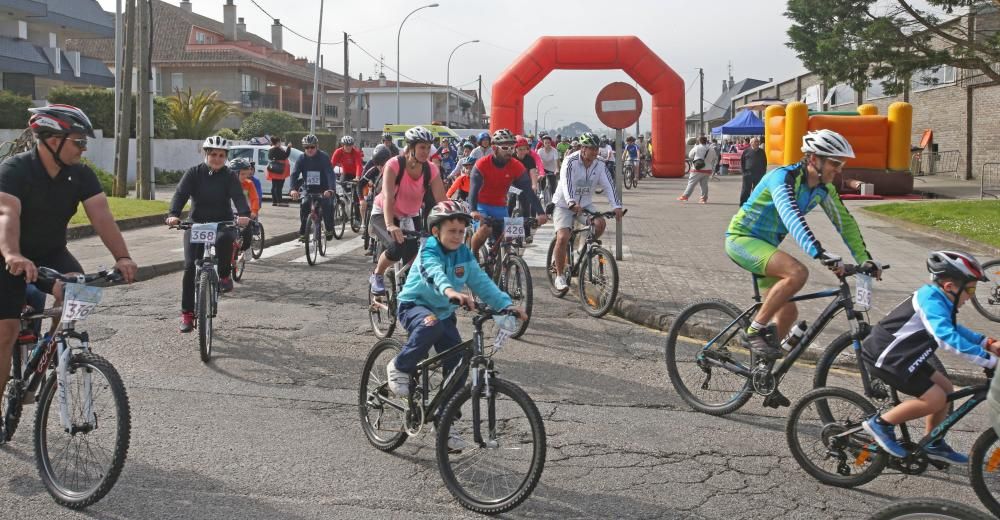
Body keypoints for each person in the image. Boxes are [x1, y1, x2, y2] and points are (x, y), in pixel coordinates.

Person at [0, 105, 138, 434]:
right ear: (51, 140)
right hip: (9, 256)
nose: (83, 148)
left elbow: (102, 216)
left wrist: (123, 257)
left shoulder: (81, 174)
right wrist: (12, 254)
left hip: (51, 252)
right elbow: (6, 214)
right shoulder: (15, 169)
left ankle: (47, 350)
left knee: (80, 292)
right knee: (5, 332)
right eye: (78, 141)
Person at [726, 129, 881, 361]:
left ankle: (761, 373)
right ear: (813, 159)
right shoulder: (782, 178)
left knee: (788, 313)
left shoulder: (823, 189)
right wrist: (819, 253)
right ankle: (753, 331)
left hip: (767, 247)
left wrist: (863, 259)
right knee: (797, 273)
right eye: (834, 163)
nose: (839, 170)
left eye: (841, 164)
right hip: (743, 240)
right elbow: (791, 215)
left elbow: (845, 224)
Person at [385, 201, 528, 448]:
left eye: (462, 232)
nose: (458, 236)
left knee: (459, 362)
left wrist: (505, 305)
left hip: (443, 312)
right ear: (435, 232)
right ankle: (399, 365)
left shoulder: (463, 254)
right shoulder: (429, 249)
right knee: (431, 326)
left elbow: (481, 282)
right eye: (451, 231)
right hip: (415, 306)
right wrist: (450, 290)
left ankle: (444, 421)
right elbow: (432, 273)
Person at [861, 251, 999, 464]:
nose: (972, 295)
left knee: (946, 388)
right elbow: (946, 338)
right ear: (950, 287)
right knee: (935, 399)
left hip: (904, 356)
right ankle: (881, 423)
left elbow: (953, 328)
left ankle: (933, 442)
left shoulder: (940, 299)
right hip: (887, 356)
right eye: (971, 289)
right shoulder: (931, 301)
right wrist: (988, 361)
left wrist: (986, 343)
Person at [166, 136, 251, 332]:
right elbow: (180, 194)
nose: (217, 158)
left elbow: (238, 197)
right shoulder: (194, 173)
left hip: (222, 223)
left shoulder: (230, 176)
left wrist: (244, 215)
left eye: (221, 155)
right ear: (206, 154)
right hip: (196, 224)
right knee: (189, 268)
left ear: (226, 157)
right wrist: (173, 214)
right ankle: (187, 313)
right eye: (213, 154)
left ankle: (223, 276)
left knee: (225, 240)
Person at [368, 126, 448, 295]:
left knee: (415, 257)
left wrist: (452, 222)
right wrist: (390, 225)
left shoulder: (431, 169)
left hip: (410, 216)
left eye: (428, 147)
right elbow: (388, 197)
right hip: (384, 213)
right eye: (422, 147)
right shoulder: (394, 164)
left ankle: (408, 293)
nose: (426, 152)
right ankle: (377, 275)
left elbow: (442, 200)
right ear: (411, 147)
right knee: (396, 248)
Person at [550, 132, 623, 291]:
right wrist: (571, 202)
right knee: (562, 237)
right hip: (564, 204)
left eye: (597, 149)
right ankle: (560, 276)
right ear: (583, 149)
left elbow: (608, 185)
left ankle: (580, 252)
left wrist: (616, 205)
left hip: (585, 204)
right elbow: (566, 182)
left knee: (599, 223)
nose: (596, 152)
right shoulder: (570, 161)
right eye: (592, 149)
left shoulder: (600, 164)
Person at [468, 129, 547, 255]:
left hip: (500, 206)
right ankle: (473, 253)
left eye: (512, 148)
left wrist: (540, 213)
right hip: (482, 206)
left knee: (511, 237)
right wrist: (473, 210)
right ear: (494, 148)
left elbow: (528, 191)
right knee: (485, 230)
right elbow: (473, 190)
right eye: (505, 148)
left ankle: (508, 264)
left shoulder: (516, 166)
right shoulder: (481, 164)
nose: (509, 151)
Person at [289, 134, 336, 242]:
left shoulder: (323, 157)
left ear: (317, 146)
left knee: (327, 205)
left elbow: (330, 174)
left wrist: (330, 189)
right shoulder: (301, 158)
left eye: (312, 147)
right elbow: (294, 174)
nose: (309, 149)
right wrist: (292, 189)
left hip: (324, 189)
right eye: (306, 147)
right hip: (309, 188)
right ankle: (303, 231)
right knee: (304, 204)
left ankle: (329, 228)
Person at [230, 158, 260, 253]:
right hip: (229, 212)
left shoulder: (249, 184)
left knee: (247, 232)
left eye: (246, 174)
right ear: (234, 173)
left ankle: (246, 248)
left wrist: (254, 211)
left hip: (244, 212)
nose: (245, 177)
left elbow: (255, 198)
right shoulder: (227, 184)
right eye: (242, 174)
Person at [678, 136, 718, 203]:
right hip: (708, 169)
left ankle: (685, 196)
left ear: (699, 141)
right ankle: (703, 199)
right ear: (706, 141)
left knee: (691, 183)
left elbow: (690, 155)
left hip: (697, 169)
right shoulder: (711, 149)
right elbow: (714, 158)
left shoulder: (697, 147)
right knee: (704, 185)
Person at [739, 137, 768, 205]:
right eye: (755, 142)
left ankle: (755, 204)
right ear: (751, 143)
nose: (757, 143)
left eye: (757, 141)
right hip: (748, 174)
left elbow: (765, 162)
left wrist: (763, 172)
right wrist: (744, 172)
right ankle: (743, 204)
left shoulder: (762, 152)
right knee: (746, 190)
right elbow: (742, 162)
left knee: (757, 190)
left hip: (759, 174)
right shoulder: (746, 151)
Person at [266, 136, 290, 206]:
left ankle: (274, 201)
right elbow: (286, 155)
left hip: (273, 169)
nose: (280, 143)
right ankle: (280, 202)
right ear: (277, 142)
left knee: (274, 186)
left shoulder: (270, 150)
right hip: (280, 170)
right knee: (279, 187)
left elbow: (270, 157)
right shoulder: (278, 149)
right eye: (280, 142)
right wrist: (289, 147)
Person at [536, 134, 560, 199]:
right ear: (543, 143)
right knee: (542, 178)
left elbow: (556, 161)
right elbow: (538, 162)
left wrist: (557, 169)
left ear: (551, 143)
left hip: (552, 169)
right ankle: (541, 192)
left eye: (549, 143)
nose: (547, 144)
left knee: (553, 186)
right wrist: (539, 171)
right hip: (543, 168)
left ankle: (554, 199)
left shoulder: (554, 150)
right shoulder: (540, 151)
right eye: (545, 143)